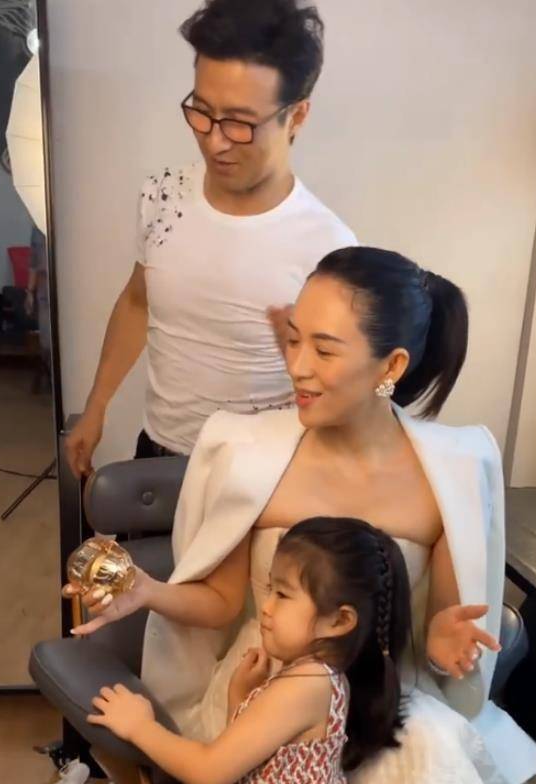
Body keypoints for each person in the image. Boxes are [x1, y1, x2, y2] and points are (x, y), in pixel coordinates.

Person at [68, 247, 536, 784]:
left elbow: (441, 629)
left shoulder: (452, 471)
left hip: (382, 701)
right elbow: (221, 603)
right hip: (267, 689)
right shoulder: (246, 451)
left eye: (324, 350)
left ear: (392, 366)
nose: (298, 367)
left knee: (427, 754)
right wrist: (145, 590)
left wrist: (442, 644)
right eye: (293, 339)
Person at [64, 0, 356, 475]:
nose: (215, 141)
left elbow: (341, 395)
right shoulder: (162, 195)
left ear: (298, 116)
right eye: (202, 111)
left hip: (264, 472)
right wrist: (96, 406)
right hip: (158, 453)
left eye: (240, 123)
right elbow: (138, 301)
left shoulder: (330, 248)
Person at [87, 518, 499, 784]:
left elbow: (210, 772)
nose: (265, 608)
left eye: (282, 595)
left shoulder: (307, 685)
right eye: (270, 589)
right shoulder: (315, 677)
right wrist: (240, 700)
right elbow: (257, 765)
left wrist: (140, 727)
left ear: (339, 621)